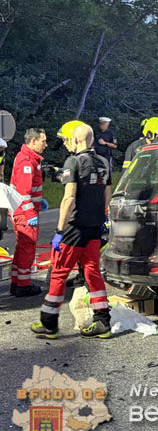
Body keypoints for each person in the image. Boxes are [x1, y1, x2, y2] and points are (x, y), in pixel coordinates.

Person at [31, 123, 113, 339]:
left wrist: (59, 230)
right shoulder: (103, 162)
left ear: (76, 140)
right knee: (92, 272)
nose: (66, 144)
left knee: (59, 272)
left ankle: (49, 323)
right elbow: (107, 195)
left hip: (74, 228)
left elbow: (68, 198)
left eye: (67, 140)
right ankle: (103, 321)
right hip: (95, 227)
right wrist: (101, 216)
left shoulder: (73, 161)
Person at [9, 128, 47, 297]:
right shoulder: (26, 162)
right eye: (43, 141)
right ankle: (23, 285)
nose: (45, 145)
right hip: (24, 213)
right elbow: (24, 193)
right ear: (33, 141)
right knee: (28, 248)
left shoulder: (26, 158)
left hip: (20, 211)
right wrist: (30, 214)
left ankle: (17, 282)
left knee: (22, 247)